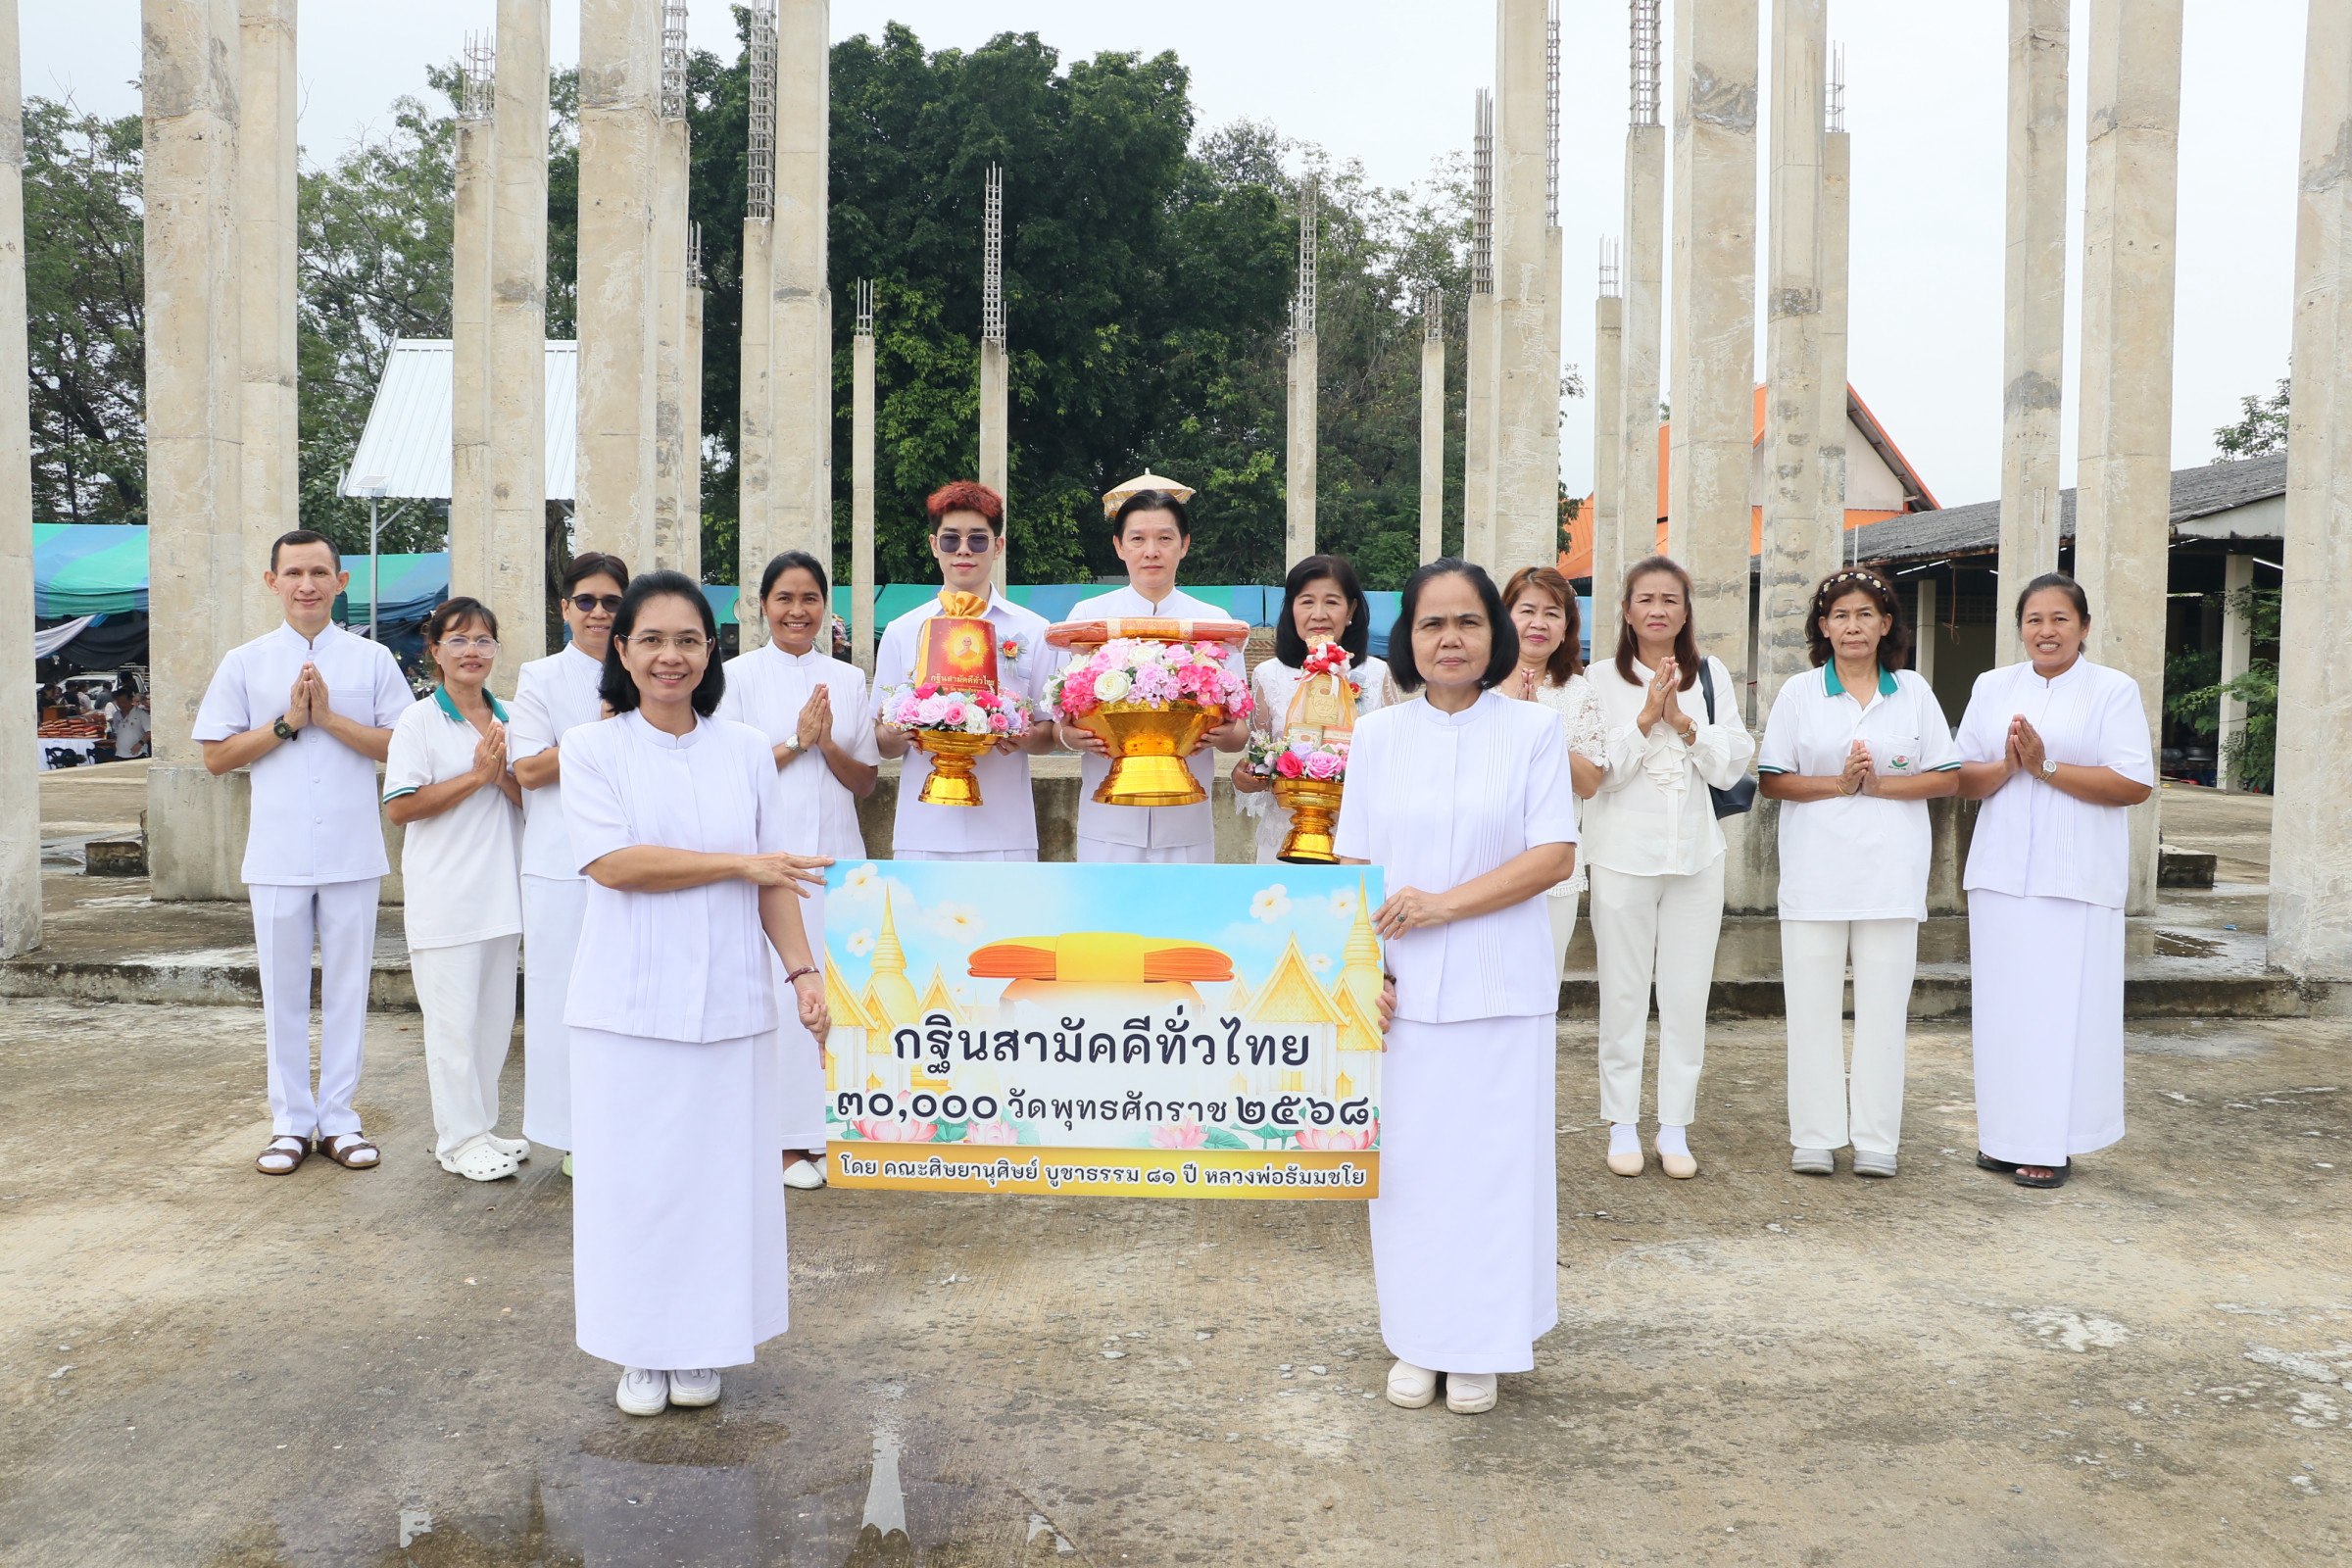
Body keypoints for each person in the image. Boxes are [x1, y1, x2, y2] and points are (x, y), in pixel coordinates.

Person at [561, 570, 833, 1417]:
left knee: (719, 1184)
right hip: (625, 1007)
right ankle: (640, 1351)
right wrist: (737, 862)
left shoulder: (747, 750)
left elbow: (775, 880)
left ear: (709, 650)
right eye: (652, 640)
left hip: (728, 1007)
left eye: (687, 640)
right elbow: (615, 865)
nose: (670, 656)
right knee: (634, 1182)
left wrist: (803, 973)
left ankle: (705, 1345)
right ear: (623, 650)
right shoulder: (590, 749)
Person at [1334, 559, 1578, 1417]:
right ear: (1406, 638)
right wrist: (1366, 970)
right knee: (1408, 1170)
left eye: (1468, 623)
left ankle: (1481, 1345)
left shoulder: (1532, 732)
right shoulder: (1377, 736)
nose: (1450, 639)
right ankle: (1418, 1341)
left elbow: (1553, 856)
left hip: (1501, 985)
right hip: (1399, 996)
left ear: (1495, 634)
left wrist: (1441, 907)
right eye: (1432, 624)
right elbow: (1355, 865)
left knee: (1492, 1169)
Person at [193, 529, 412, 1176]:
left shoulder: (372, 661)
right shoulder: (245, 661)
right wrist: (288, 722)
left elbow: (401, 745)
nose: (307, 584)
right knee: (282, 993)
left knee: (349, 990)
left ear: (342, 582)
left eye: (320, 572)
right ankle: (290, 1122)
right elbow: (215, 756)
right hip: (278, 853)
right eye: (294, 573)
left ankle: (340, 1119)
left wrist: (329, 719)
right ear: (273, 583)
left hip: (352, 851)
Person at [1756, 568, 1959, 1179]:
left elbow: (1947, 776)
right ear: (1823, 626)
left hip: (1891, 879)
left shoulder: (1914, 692)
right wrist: (1838, 785)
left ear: (1886, 624)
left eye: (1865, 614)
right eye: (1840, 615)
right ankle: (1815, 1134)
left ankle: (1876, 1138)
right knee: (1811, 1010)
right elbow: (1771, 780)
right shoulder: (1799, 693)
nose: (1853, 626)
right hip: (1816, 878)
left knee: (1883, 1015)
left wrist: (1881, 785)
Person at [1955, 573, 2153, 1190]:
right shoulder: (1992, 686)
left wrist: (2045, 766)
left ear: (2084, 628)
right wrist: (2005, 767)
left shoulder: (2111, 690)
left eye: (2060, 619)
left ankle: (2050, 1144)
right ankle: (2003, 1138)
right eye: (2034, 619)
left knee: (2060, 1015)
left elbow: (2133, 784)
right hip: (2001, 872)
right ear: (2020, 628)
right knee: (2002, 1013)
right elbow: (1960, 774)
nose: (2046, 631)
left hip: (2074, 877)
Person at [1580, 556, 1755, 1180]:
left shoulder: (1710, 675)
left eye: (1671, 601)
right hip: (1623, 858)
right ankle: (1622, 1122)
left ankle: (1674, 1125)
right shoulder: (1596, 679)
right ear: (1626, 610)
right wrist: (1646, 718)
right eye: (1645, 599)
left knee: (1686, 997)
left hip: (1696, 858)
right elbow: (1601, 775)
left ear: (1685, 612)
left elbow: (1732, 764)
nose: (1658, 610)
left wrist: (1682, 720)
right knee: (1623, 993)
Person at [719, 550, 880, 1191]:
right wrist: (794, 742)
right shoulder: (733, 677)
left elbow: (865, 781)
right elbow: (731, 777)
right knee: (786, 999)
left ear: (824, 609)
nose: (797, 610)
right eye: (784, 598)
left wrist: (829, 740)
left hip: (839, 854)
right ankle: (786, 1143)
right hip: (772, 861)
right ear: (762, 605)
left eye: (809, 598)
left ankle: (836, 1132)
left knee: (842, 989)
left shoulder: (848, 677)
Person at [382, 598, 528, 1183]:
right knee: (452, 1028)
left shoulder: (513, 718)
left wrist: (502, 776)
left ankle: (483, 1129)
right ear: (435, 650)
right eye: (459, 640)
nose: (473, 651)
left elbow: (533, 800)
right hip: (446, 898)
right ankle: (457, 1140)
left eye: (484, 640)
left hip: (503, 895)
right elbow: (400, 808)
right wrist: (475, 777)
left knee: (493, 1025)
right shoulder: (418, 721)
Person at [511, 552, 632, 1174]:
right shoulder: (541, 677)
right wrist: (599, 730)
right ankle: (573, 1135)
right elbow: (528, 768)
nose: (600, 613)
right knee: (563, 1001)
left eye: (612, 602)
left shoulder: (648, 668)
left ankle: (628, 1126)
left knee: (630, 998)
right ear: (565, 608)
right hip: (561, 862)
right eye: (587, 601)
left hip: (636, 861)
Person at [1056, 490, 1250, 862]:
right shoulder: (1087, 619)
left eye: (1165, 538)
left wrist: (1223, 734)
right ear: (1118, 546)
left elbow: (1239, 732)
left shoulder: (1215, 624)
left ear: (1184, 545)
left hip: (1186, 819)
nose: (1151, 551)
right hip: (1108, 819)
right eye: (1138, 539)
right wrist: (1070, 736)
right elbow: (1059, 721)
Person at [871, 482, 1059, 860]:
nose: (963, 550)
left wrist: (1017, 731)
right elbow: (881, 740)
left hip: (1005, 829)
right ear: (932, 545)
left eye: (977, 540)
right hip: (923, 828)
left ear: (998, 546)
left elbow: (1049, 734)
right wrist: (905, 728)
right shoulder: (903, 630)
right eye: (950, 539)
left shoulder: (1036, 631)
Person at [1231, 555, 1400, 862]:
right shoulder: (1268, 676)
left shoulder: (1376, 675)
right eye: (1306, 601)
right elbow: (1258, 760)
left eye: (1332, 602)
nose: (1318, 614)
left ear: (1351, 611)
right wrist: (1246, 776)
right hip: (1285, 841)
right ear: (1291, 609)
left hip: (1359, 842)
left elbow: (1397, 763)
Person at [1498, 566, 1606, 976]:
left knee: (1543, 986)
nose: (1538, 623)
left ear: (1567, 628)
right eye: (1527, 610)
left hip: (1553, 865)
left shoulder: (1578, 692)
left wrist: (1542, 727)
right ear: (1505, 616)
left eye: (1553, 613)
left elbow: (1590, 783)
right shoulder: (1477, 687)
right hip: (1484, 860)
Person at [105, 685, 151, 760]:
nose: (122, 705)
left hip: (138, 753)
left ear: (131, 701)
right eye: (119, 702)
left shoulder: (141, 714)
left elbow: (149, 732)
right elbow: (117, 732)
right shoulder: (116, 715)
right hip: (120, 754)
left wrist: (140, 743)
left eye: (124, 702)